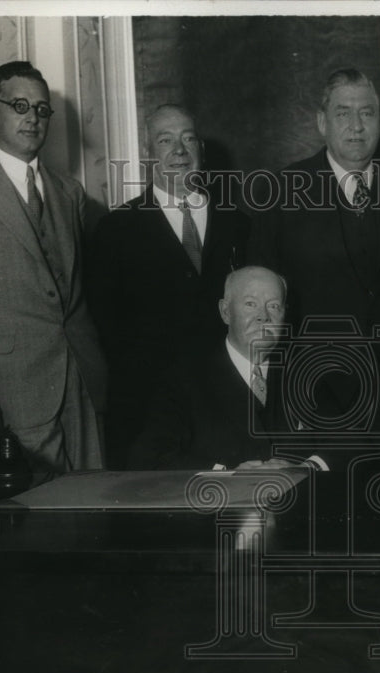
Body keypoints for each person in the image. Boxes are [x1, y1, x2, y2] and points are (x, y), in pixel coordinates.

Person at [0, 60, 105, 478]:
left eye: (42, 110)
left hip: (82, 384)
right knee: (39, 522)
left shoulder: (70, 192)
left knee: (95, 509)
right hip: (14, 392)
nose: (32, 118)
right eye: (20, 106)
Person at [246, 68, 380, 437]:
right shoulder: (283, 192)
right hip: (312, 396)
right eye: (343, 113)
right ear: (321, 123)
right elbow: (259, 301)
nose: (356, 126)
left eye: (367, 113)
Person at [87, 104, 251, 468]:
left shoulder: (240, 225)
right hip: (147, 414)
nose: (180, 151)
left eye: (188, 139)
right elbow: (105, 326)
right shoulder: (116, 230)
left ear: (202, 152)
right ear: (148, 155)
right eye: (166, 140)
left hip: (226, 408)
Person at [129, 266, 327, 471]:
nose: (264, 317)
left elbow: (350, 446)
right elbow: (149, 458)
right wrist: (226, 476)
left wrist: (308, 468)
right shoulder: (184, 380)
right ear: (225, 312)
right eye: (251, 304)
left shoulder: (305, 374)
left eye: (274, 306)